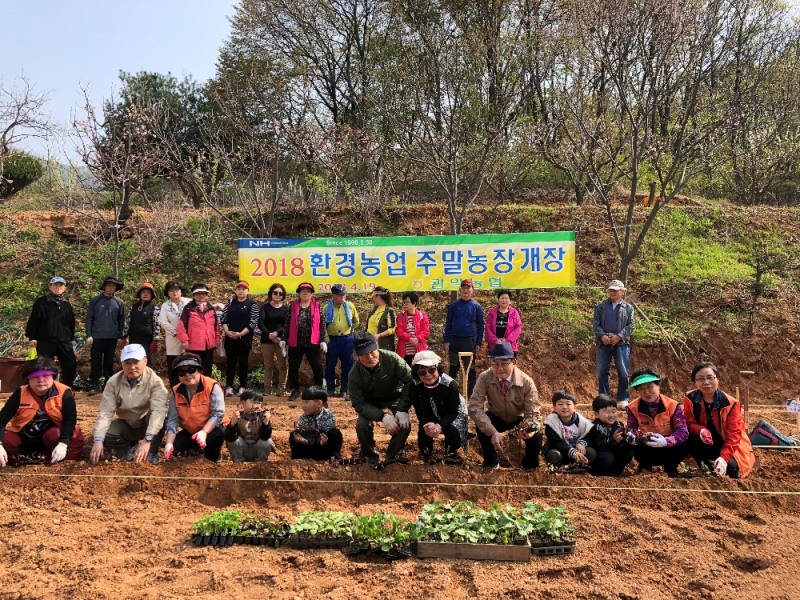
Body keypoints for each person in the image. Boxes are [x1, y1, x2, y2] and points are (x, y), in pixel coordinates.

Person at [88, 344, 168, 465]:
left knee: (159, 416)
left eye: (136, 362)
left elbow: (159, 411)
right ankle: (127, 450)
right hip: (127, 423)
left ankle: (152, 452)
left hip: (148, 424)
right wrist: (98, 440)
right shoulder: (113, 382)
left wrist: (147, 440)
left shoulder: (155, 382)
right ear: (122, 364)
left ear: (145, 361)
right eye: (127, 363)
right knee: (106, 432)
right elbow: (106, 411)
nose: (132, 367)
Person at [468, 342, 542, 470]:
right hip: (496, 418)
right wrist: (493, 432)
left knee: (536, 435)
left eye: (504, 363)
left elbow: (533, 414)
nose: (499, 368)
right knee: (481, 425)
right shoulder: (484, 378)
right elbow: (475, 407)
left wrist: (527, 428)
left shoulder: (526, 382)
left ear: (514, 362)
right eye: (495, 363)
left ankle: (529, 466)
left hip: (518, 420)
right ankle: (491, 462)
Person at [0, 356, 84, 467]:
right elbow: (2, 420)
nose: (41, 380)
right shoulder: (20, 393)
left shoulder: (64, 392)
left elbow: (70, 420)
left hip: (52, 436)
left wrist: (63, 444)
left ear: (53, 376)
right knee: (7, 440)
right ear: (28, 379)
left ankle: (48, 455)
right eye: (35, 376)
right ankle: (19, 457)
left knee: (55, 435)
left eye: (45, 375)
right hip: (26, 436)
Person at [348, 333, 412, 465]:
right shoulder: (354, 374)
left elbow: (410, 380)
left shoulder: (392, 359)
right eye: (364, 354)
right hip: (370, 401)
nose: (370, 357)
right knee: (362, 425)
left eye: (372, 352)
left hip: (394, 396)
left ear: (377, 348)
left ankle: (392, 456)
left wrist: (402, 409)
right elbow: (359, 403)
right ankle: (369, 456)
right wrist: (382, 416)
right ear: (357, 356)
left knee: (404, 424)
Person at [683, 362, 756, 478]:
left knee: (732, 469)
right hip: (707, 442)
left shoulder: (730, 404)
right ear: (695, 382)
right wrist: (701, 430)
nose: (706, 382)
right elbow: (688, 422)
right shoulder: (690, 398)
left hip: (729, 445)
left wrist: (723, 458)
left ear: (717, 379)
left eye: (710, 378)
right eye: (700, 379)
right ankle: (704, 466)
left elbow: (734, 436)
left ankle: (719, 463)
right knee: (687, 438)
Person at [163, 353, 226, 463]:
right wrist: (168, 444)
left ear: (199, 370)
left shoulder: (212, 386)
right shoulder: (175, 391)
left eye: (191, 370)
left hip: (213, 428)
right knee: (177, 446)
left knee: (214, 438)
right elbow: (172, 420)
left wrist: (204, 432)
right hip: (191, 430)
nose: (187, 375)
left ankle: (214, 456)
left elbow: (218, 414)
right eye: (182, 372)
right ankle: (197, 449)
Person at [626, 366, 689, 476]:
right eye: (641, 389)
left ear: (658, 386)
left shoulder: (672, 405)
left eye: (650, 387)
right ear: (637, 391)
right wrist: (641, 437)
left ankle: (671, 468)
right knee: (631, 444)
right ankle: (645, 466)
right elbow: (632, 428)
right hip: (647, 447)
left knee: (685, 443)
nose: (647, 392)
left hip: (669, 448)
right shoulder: (632, 408)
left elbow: (682, 431)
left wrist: (666, 441)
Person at [409, 350, 467, 464]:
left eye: (431, 370)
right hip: (430, 413)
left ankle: (452, 457)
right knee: (424, 429)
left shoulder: (451, 385)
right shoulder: (414, 387)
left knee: (453, 431)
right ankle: (427, 456)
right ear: (417, 374)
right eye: (422, 372)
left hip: (453, 414)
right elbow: (420, 413)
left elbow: (452, 412)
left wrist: (439, 425)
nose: (428, 375)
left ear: (438, 369)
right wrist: (429, 425)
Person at [25, 276, 77, 386]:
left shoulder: (66, 304)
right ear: (50, 286)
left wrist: (71, 338)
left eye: (61, 285)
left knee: (70, 364)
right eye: (55, 285)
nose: (58, 287)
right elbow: (34, 320)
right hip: (45, 340)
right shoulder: (41, 302)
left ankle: (68, 387)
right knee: (44, 366)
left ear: (65, 288)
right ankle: (46, 387)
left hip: (64, 340)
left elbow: (71, 322)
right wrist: (32, 337)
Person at [592, 279, 635, 407]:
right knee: (602, 370)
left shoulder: (628, 308)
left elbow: (631, 325)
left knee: (622, 370)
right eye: (611, 290)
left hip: (621, 343)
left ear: (622, 292)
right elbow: (595, 324)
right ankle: (604, 397)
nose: (613, 293)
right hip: (603, 342)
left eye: (616, 291)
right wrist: (603, 336)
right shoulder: (600, 306)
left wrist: (619, 336)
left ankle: (623, 398)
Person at [283, 282, 326, 402]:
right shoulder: (293, 306)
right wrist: (283, 339)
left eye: (308, 291)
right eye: (303, 291)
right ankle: (295, 390)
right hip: (295, 342)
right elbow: (287, 323)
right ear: (299, 293)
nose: (305, 293)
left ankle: (318, 389)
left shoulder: (317, 305)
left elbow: (322, 325)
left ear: (312, 293)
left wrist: (322, 340)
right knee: (293, 366)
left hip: (312, 342)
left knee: (317, 366)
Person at [444, 278, 484, 397]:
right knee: (454, 367)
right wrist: (446, 340)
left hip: (469, 341)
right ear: (460, 290)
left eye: (468, 288)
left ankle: (472, 394)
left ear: (472, 290)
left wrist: (478, 342)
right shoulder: (454, 306)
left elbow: (481, 325)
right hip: (455, 340)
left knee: (470, 368)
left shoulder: (476, 306)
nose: (466, 291)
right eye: (464, 288)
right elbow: (448, 323)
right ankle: (452, 393)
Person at [85, 275, 125, 393]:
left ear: (116, 288)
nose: (111, 288)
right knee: (96, 361)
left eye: (113, 286)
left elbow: (121, 320)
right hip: (97, 336)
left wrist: (120, 336)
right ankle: (94, 383)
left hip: (112, 337)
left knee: (109, 361)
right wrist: (89, 335)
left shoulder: (119, 303)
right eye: (108, 285)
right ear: (104, 287)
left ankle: (108, 384)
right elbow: (89, 319)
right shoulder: (95, 301)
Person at [220, 280, 259, 396]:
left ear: (248, 291)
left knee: (243, 363)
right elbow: (223, 318)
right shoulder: (230, 302)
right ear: (235, 290)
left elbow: (253, 322)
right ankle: (229, 387)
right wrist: (227, 331)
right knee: (230, 363)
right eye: (239, 289)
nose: (241, 291)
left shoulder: (252, 304)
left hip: (244, 339)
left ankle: (242, 386)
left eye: (244, 289)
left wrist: (241, 333)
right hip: (230, 338)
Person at [323, 283, 359, 398]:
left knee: (348, 364)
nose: (342, 298)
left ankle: (345, 389)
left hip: (347, 339)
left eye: (344, 295)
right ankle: (330, 389)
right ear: (333, 295)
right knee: (330, 364)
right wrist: (326, 338)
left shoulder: (350, 306)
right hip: (332, 340)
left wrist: (350, 330)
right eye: (339, 295)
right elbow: (322, 325)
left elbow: (356, 321)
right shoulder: (326, 307)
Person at [543, 390, 596, 468]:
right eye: (560, 404)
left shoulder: (582, 422)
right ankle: (559, 468)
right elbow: (556, 442)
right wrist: (572, 452)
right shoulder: (551, 422)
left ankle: (582, 467)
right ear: (554, 407)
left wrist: (582, 443)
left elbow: (589, 436)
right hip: (560, 452)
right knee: (553, 455)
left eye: (568, 404)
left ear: (575, 407)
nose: (564, 407)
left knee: (591, 452)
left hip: (578, 452)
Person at [289, 386, 344, 461]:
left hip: (324, 452)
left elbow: (326, 438)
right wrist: (304, 441)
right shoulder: (303, 418)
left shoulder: (329, 416)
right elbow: (307, 437)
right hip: (309, 451)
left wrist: (323, 442)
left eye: (306, 402)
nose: (303, 405)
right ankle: (297, 460)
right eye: (302, 402)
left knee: (335, 433)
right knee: (293, 434)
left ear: (319, 403)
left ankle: (335, 458)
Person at [177, 283, 220, 375]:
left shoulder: (211, 308)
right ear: (194, 295)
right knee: (194, 370)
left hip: (209, 345)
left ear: (206, 295)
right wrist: (184, 340)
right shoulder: (188, 308)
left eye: (203, 293)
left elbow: (216, 326)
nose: (201, 295)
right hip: (194, 345)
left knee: (207, 369)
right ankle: (195, 388)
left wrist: (216, 339)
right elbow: (181, 326)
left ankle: (207, 388)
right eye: (198, 293)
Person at [587, 394, 634, 476]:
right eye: (607, 412)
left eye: (613, 411)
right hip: (600, 459)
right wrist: (613, 441)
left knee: (628, 452)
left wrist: (627, 438)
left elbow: (621, 446)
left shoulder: (618, 425)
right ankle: (600, 474)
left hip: (613, 456)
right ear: (596, 414)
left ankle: (616, 471)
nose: (611, 415)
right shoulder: (594, 427)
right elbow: (599, 447)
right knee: (607, 457)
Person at [224, 389, 274, 462]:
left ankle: (261, 464)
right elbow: (229, 438)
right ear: (243, 403)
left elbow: (265, 437)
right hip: (243, 450)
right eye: (253, 402)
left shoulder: (262, 417)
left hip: (256, 450)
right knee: (233, 441)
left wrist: (266, 423)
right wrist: (233, 423)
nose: (256, 406)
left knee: (266, 442)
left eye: (259, 403)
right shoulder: (238, 416)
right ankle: (238, 463)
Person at [258, 283, 289, 396]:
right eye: (275, 293)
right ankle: (267, 388)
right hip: (267, 340)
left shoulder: (286, 309)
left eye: (280, 293)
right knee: (268, 365)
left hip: (281, 341)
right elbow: (260, 323)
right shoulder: (265, 308)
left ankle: (281, 388)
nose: (278, 295)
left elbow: (287, 324)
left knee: (282, 365)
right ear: (271, 294)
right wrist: (269, 334)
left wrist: (277, 334)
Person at [158, 280, 190, 387]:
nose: (174, 292)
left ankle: (188, 386)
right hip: (173, 338)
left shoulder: (189, 302)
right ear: (167, 293)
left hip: (188, 338)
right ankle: (175, 388)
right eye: (171, 290)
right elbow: (163, 321)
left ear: (181, 291)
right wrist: (176, 332)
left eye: (176, 289)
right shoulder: (165, 306)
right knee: (174, 363)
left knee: (188, 361)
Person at [122, 282, 160, 364]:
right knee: (134, 360)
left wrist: (155, 340)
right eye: (143, 292)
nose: (145, 294)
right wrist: (124, 337)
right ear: (140, 294)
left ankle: (148, 376)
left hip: (148, 340)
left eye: (148, 293)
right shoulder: (133, 307)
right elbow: (127, 322)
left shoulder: (154, 308)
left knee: (147, 360)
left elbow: (157, 325)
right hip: (133, 338)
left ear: (152, 295)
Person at [396, 292, 430, 366]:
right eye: (404, 302)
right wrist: (410, 338)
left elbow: (426, 331)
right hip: (405, 351)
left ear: (414, 303)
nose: (405, 304)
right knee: (406, 372)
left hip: (419, 349)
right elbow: (399, 331)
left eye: (407, 302)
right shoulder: (400, 316)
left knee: (419, 371)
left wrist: (418, 339)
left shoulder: (422, 315)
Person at [485, 289, 522, 357]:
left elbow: (518, 328)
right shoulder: (492, 313)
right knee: (496, 366)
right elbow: (488, 328)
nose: (504, 300)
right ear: (498, 300)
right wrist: (495, 340)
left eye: (506, 298)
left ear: (509, 300)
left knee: (508, 366)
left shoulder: (514, 313)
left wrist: (507, 340)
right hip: (494, 346)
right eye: (502, 298)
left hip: (510, 347)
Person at [366, 286, 397, 352]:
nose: (373, 299)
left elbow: (392, 328)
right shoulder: (374, 310)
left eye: (374, 296)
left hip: (383, 345)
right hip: (370, 344)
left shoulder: (389, 311)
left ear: (378, 297)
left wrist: (379, 335)